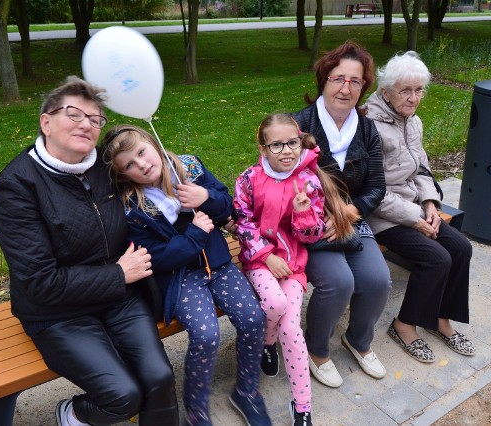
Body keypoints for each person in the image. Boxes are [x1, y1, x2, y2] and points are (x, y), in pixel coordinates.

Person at [0, 76, 179, 426]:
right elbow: (38, 281)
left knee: (159, 378)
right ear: (46, 122)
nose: (86, 124)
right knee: (123, 396)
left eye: (95, 119)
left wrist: (206, 201)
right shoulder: (18, 188)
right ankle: (72, 414)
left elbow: (155, 179)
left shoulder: (104, 168)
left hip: (120, 297)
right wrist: (118, 274)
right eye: (74, 114)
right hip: (58, 313)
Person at [102, 125, 271, 426]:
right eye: (129, 164)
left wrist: (205, 196)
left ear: (153, 144)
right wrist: (193, 236)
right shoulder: (132, 207)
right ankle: (196, 407)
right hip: (180, 278)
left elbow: (226, 208)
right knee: (206, 335)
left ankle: (246, 390)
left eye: (142, 152)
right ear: (124, 174)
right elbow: (154, 257)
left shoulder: (188, 167)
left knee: (253, 317)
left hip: (218, 264)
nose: (141, 164)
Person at [234, 113, 359, 425]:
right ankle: (266, 343)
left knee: (292, 329)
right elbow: (243, 222)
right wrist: (264, 255)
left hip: (294, 264)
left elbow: (312, 235)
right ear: (263, 149)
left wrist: (304, 214)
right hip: (260, 260)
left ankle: (302, 407)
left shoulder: (309, 182)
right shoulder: (248, 179)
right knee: (273, 304)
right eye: (276, 145)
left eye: (292, 142)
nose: (287, 150)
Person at [291, 41, 392, 388]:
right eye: (338, 79)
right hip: (309, 228)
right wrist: (320, 219)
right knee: (339, 282)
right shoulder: (298, 127)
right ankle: (316, 349)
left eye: (356, 81)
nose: (345, 88)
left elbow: (377, 187)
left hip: (351, 222)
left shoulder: (367, 129)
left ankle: (359, 341)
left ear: (364, 87)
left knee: (379, 281)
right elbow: (280, 187)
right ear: (324, 80)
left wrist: (348, 213)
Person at [365, 51, 475, 362]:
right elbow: (372, 189)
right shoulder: (369, 126)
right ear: (386, 92)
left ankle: (441, 319)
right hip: (381, 214)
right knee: (436, 258)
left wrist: (429, 203)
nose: (414, 98)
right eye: (406, 90)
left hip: (414, 206)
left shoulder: (413, 122)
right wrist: (416, 217)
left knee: (461, 248)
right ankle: (404, 325)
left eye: (419, 90)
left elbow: (423, 169)